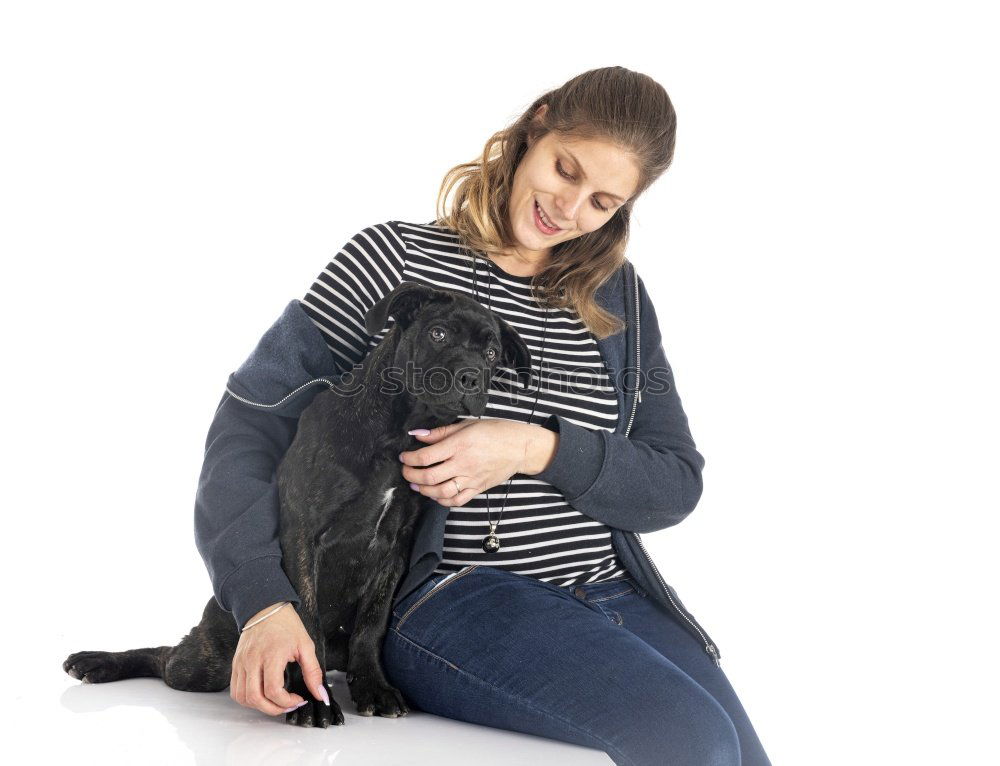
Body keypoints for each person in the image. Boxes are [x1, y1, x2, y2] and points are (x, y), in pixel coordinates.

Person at [201, 66, 772, 765]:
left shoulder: (618, 300)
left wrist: (534, 448)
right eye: (565, 170)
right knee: (695, 744)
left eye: (601, 201)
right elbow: (247, 428)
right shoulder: (393, 259)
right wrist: (261, 601)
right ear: (536, 125)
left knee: (743, 755)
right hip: (454, 597)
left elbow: (674, 483)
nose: (568, 210)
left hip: (612, 589)